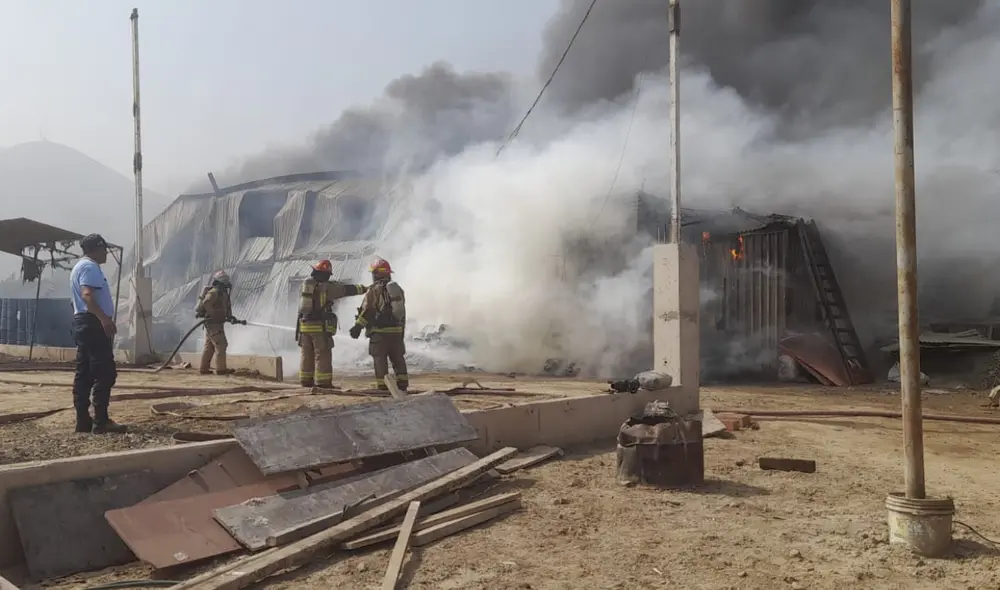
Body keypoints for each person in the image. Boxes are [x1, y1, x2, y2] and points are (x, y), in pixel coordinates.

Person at [69, 234, 126, 434]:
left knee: (84, 373)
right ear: (97, 248)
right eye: (104, 249)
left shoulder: (79, 266)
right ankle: (101, 421)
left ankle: (82, 421)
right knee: (105, 372)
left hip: (83, 322)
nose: (106, 254)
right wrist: (104, 319)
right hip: (93, 323)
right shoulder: (90, 267)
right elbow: (87, 295)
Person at [297, 260, 367, 388]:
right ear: (326, 274)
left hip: (304, 326)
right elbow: (346, 290)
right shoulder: (327, 287)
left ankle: (305, 381)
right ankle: (323, 382)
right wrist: (365, 289)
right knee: (322, 354)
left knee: (306, 354)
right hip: (319, 327)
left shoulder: (306, 285)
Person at [349, 258, 408, 391]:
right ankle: (402, 383)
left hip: (379, 333)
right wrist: (401, 331)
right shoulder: (398, 289)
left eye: (373, 273)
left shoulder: (374, 290)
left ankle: (383, 386)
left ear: (376, 274)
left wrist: (358, 326)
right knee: (398, 358)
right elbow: (402, 312)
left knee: (380, 359)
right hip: (396, 331)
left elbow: (368, 310)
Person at [195, 270, 242, 375]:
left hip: (214, 324)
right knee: (221, 344)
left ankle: (204, 369)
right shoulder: (215, 292)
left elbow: (226, 307)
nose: (227, 282)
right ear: (220, 281)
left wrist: (230, 317)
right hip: (213, 324)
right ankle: (221, 370)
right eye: (224, 280)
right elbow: (206, 302)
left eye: (227, 280)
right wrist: (214, 315)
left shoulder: (223, 293)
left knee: (209, 346)